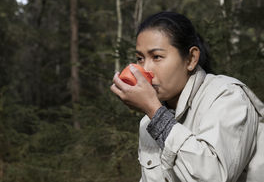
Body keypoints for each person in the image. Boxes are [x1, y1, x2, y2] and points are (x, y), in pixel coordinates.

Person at [110, 11, 264, 182]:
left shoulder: (227, 96)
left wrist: (155, 113)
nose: (145, 69)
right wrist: (155, 114)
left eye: (157, 57)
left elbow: (213, 176)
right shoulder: (148, 122)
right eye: (140, 58)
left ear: (191, 59)